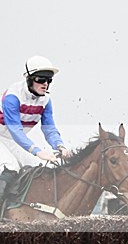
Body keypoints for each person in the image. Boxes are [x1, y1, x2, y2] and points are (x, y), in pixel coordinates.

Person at [0, 56, 74, 198]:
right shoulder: (12, 97)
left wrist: (60, 146)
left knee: (39, 168)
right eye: (41, 79)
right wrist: (37, 151)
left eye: (49, 80)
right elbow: (15, 130)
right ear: (29, 79)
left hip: (12, 140)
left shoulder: (46, 100)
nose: (45, 84)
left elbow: (49, 129)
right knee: (10, 167)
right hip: (8, 136)